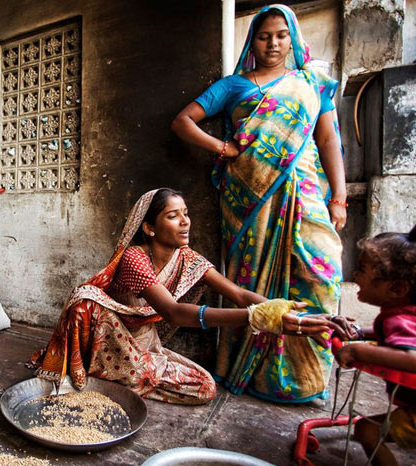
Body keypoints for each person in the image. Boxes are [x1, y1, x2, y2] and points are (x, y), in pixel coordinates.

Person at [170, 4, 347, 402]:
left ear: (293, 39)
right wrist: (222, 147)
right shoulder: (234, 85)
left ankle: (306, 379)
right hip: (249, 200)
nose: (273, 43)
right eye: (264, 35)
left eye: (281, 35)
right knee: (251, 283)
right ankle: (251, 372)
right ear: (253, 40)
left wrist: (339, 197)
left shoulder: (311, 83)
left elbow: (329, 140)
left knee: (320, 276)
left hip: (304, 192)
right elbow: (183, 121)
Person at [29, 188, 341, 404]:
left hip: (143, 344)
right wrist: (253, 319)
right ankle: (99, 373)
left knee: (205, 387)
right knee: (85, 301)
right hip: (110, 336)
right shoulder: (135, 258)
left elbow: (237, 293)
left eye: (186, 214)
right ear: (149, 228)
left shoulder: (188, 258)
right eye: (173, 216)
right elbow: (175, 312)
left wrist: (290, 313)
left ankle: (123, 379)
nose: (185, 221)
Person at [335, 226, 416, 465]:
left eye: (361, 270)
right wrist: (361, 334)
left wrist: (357, 350)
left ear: (397, 289)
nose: (355, 275)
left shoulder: (398, 320)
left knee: (366, 431)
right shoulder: (405, 316)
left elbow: (411, 357)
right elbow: (393, 339)